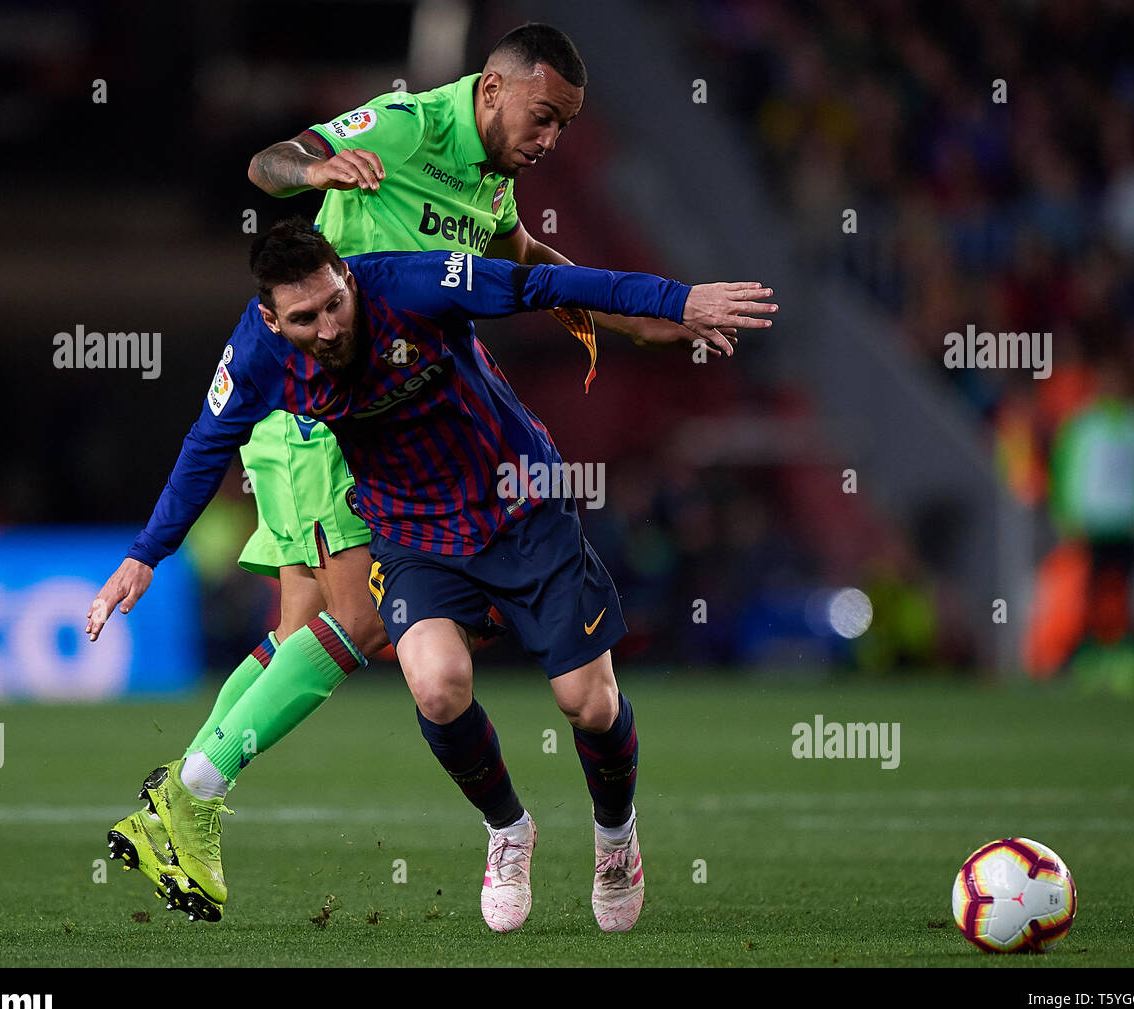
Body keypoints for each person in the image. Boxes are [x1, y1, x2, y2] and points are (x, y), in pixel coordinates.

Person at [90, 23, 694, 921]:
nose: (550, 141)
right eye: (544, 118)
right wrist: (317, 172)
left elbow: (519, 263)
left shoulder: (490, 179)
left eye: (565, 127)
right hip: (325, 421)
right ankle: (188, 795)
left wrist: (632, 315)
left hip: (369, 413)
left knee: (299, 627)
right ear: (493, 90)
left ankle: (184, 797)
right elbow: (273, 161)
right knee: (364, 623)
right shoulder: (410, 127)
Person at [124, 217, 774, 931]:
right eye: (305, 317)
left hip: (520, 508)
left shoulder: (413, 285)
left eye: (334, 302)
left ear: (346, 275)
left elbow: (544, 281)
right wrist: (146, 553)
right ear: (273, 320)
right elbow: (203, 446)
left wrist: (675, 302)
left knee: (587, 704)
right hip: (413, 537)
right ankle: (508, 830)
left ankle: (616, 835)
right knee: (436, 685)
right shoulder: (255, 357)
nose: (329, 326)